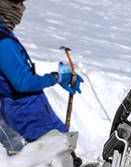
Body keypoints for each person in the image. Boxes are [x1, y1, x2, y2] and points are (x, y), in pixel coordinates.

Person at [0, 0, 82, 153]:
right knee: (59, 151)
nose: (22, 8)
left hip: (19, 108)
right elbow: (22, 83)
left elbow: (15, 70)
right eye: (19, 3)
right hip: (26, 111)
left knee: (52, 152)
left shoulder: (4, 35)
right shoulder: (3, 42)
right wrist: (56, 78)